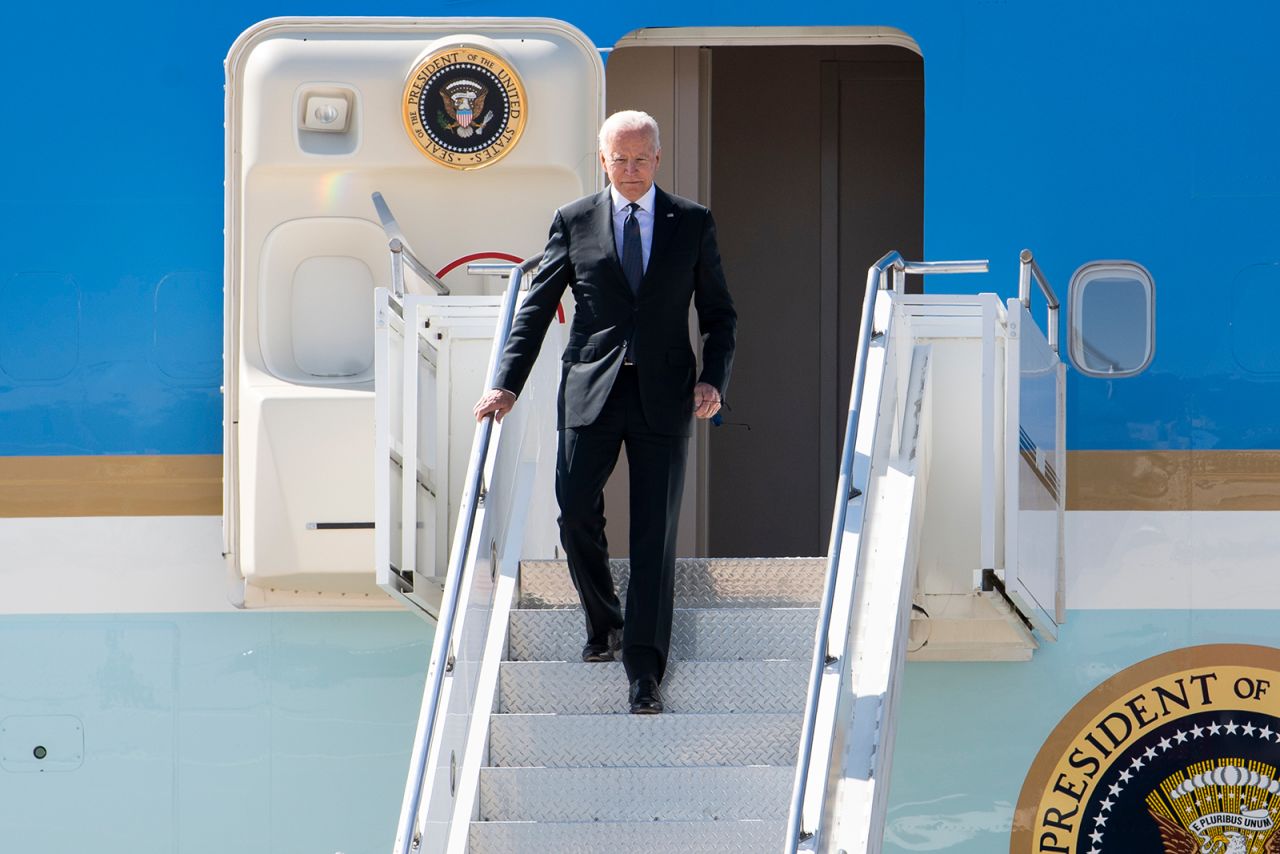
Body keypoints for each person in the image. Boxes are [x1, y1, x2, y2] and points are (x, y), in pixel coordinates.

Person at [473, 110, 736, 715]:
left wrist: (711, 380)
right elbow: (535, 311)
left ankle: (644, 671)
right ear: (603, 160)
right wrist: (506, 386)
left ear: (659, 158)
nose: (632, 169)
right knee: (574, 515)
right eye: (620, 159)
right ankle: (605, 618)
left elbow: (720, 314)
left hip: (665, 397)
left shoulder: (691, 222)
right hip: (590, 390)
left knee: (653, 534)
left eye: (642, 158)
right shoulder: (574, 221)